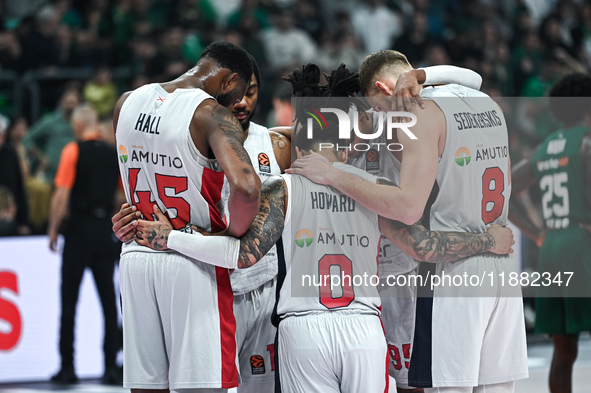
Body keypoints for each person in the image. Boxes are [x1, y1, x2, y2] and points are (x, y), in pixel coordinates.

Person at [116, 66, 516, 393]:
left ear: (298, 138)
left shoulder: (281, 187)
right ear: (348, 142)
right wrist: (487, 240)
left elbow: (241, 254)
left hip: (303, 329)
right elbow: (423, 244)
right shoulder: (376, 192)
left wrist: (171, 237)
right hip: (363, 329)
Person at [287, 50, 529, 392]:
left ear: (387, 91)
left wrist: (333, 173)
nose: (382, 117)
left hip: (449, 264)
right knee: (498, 386)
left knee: (445, 385)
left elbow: (408, 211)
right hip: (500, 261)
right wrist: (420, 75)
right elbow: (471, 76)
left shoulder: (417, 116)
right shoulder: (485, 101)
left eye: (379, 107)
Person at [113, 41, 261, 393]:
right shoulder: (210, 113)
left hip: (136, 256)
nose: (236, 105)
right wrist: (233, 234)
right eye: (236, 95)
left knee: (146, 387)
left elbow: (132, 170)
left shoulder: (127, 101)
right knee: (204, 386)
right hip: (190, 258)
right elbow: (248, 188)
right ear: (229, 80)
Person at [510, 73, 591, 393]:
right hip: (582, 242)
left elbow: (502, 190)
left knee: (564, 349)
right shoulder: (587, 142)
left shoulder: (545, 148)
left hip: (552, 246)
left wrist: (535, 232)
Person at [47, 105, 121, 385]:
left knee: (69, 301)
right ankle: (110, 367)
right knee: (109, 303)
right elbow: (120, 195)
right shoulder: (113, 155)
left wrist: (54, 229)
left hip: (78, 230)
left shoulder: (72, 151)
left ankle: (67, 367)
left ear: (78, 126)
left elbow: (62, 194)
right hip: (104, 230)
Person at [23, 87, 80, 183]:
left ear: (78, 104)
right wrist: (40, 156)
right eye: (68, 102)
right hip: (52, 176)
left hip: (76, 175)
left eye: (73, 103)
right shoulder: (50, 121)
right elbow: (27, 138)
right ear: (62, 102)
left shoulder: (81, 124)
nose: (70, 106)